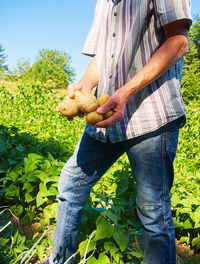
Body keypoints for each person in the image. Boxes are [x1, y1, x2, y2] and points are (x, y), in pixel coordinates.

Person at [42, 0, 192, 263]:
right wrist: (84, 89)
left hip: (151, 114)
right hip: (106, 117)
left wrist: (124, 94)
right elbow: (103, 56)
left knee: (153, 212)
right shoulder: (104, 2)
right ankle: (60, 260)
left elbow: (178, 42)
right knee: (70, 185)